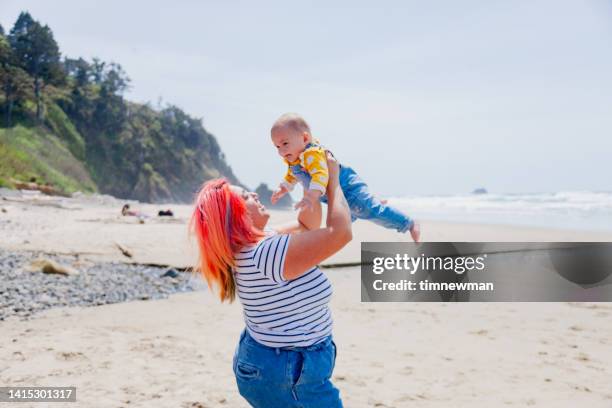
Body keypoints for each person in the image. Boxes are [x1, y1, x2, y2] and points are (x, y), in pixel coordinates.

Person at [190, 152, 351, 407]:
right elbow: (340, 233)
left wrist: (310, 181)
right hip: (288, 371)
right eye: (245, 197)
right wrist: (333, 182)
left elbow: (306, 225)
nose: (254, 194)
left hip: (276, 364)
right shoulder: (265, 253)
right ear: (236, 216)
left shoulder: (256, 244)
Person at [270, 112, 420, 242]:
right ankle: (371, 199)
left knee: (373, 212)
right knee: (351, 215)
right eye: (277, 146)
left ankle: (409, 223)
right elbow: (292, 174)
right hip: (337, 197)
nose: (281, 151)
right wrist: (284, 187)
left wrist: (311, 196)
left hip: (349, 190)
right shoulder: (294, 159)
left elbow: (320, 174)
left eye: (285, 143)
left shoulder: (312, 154)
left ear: (304, 138)